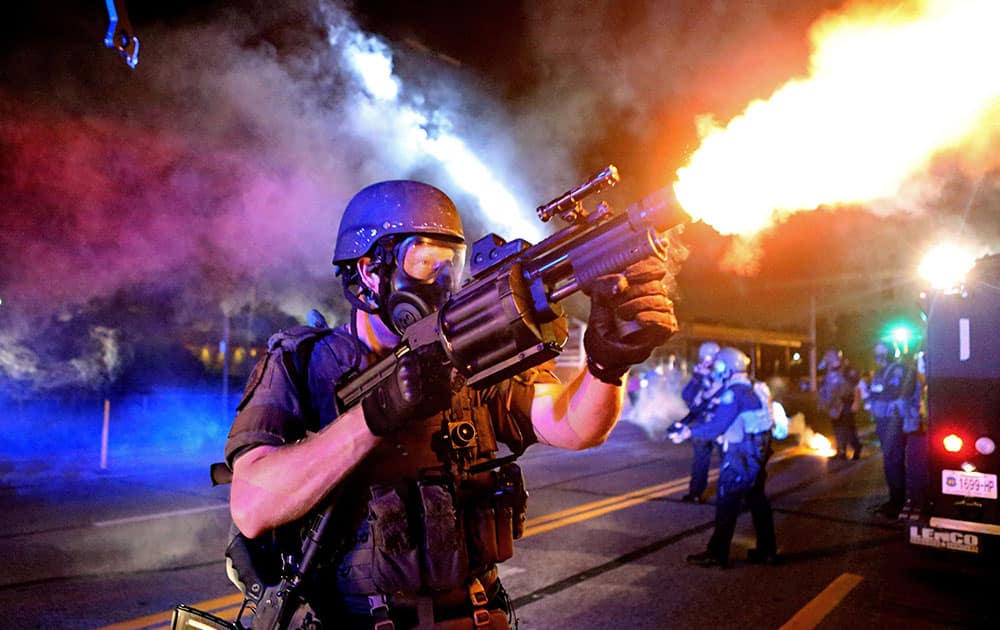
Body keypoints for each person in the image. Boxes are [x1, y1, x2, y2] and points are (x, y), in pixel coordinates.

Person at [223, 180, 679, 629]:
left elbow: (574, 427)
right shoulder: (303, 362)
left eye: (451, 265)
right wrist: (376, 415)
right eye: (424, 263)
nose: (441, 282)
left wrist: (606, 365)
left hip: (475, 617)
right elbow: (252, 507)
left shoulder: (466, 356)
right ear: (368, 270)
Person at [671, 347, 777, 568]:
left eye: (719, 365)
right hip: (756, 451)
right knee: (757, 499)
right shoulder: (753, 386)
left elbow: (718, 426)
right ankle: (767, 550)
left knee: (727, 501)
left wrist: (688, 432)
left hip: (742, 454)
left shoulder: (734, 392)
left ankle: (717, 553)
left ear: (726, 366)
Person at [868, 342, 920, 518]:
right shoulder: (882, 372)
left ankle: (897, 503)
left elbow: (895, 391)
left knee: (894, 461)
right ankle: (894, 499)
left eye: (882, 353)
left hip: (894, 421)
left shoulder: (898, 369)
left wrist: (878, 399)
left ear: (890, 353)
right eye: (877, 353)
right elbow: (874, 393)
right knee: (890, 462)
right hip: (884, 421)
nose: (879, 357)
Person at [676, 341, 723, 502]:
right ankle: (695, 493)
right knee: (700, 460)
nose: (708, 362)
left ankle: (734, 495)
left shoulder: (723, 373)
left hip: (720, 423)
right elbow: (687, 396)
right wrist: (697, 377)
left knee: (729, 460)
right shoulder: (700, 373)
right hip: (704, 421)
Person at [816, 349, 862, 460]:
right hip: (834, 405)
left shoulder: (846, 370)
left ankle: (856, 447)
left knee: (848, 428)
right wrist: (822, 402)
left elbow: (857, 386)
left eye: (829, 356)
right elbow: (824, 388)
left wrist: (856, 401)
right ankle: (841, 451)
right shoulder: (828, 371)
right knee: (838, 428)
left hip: (845, 402)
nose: (827, 359)